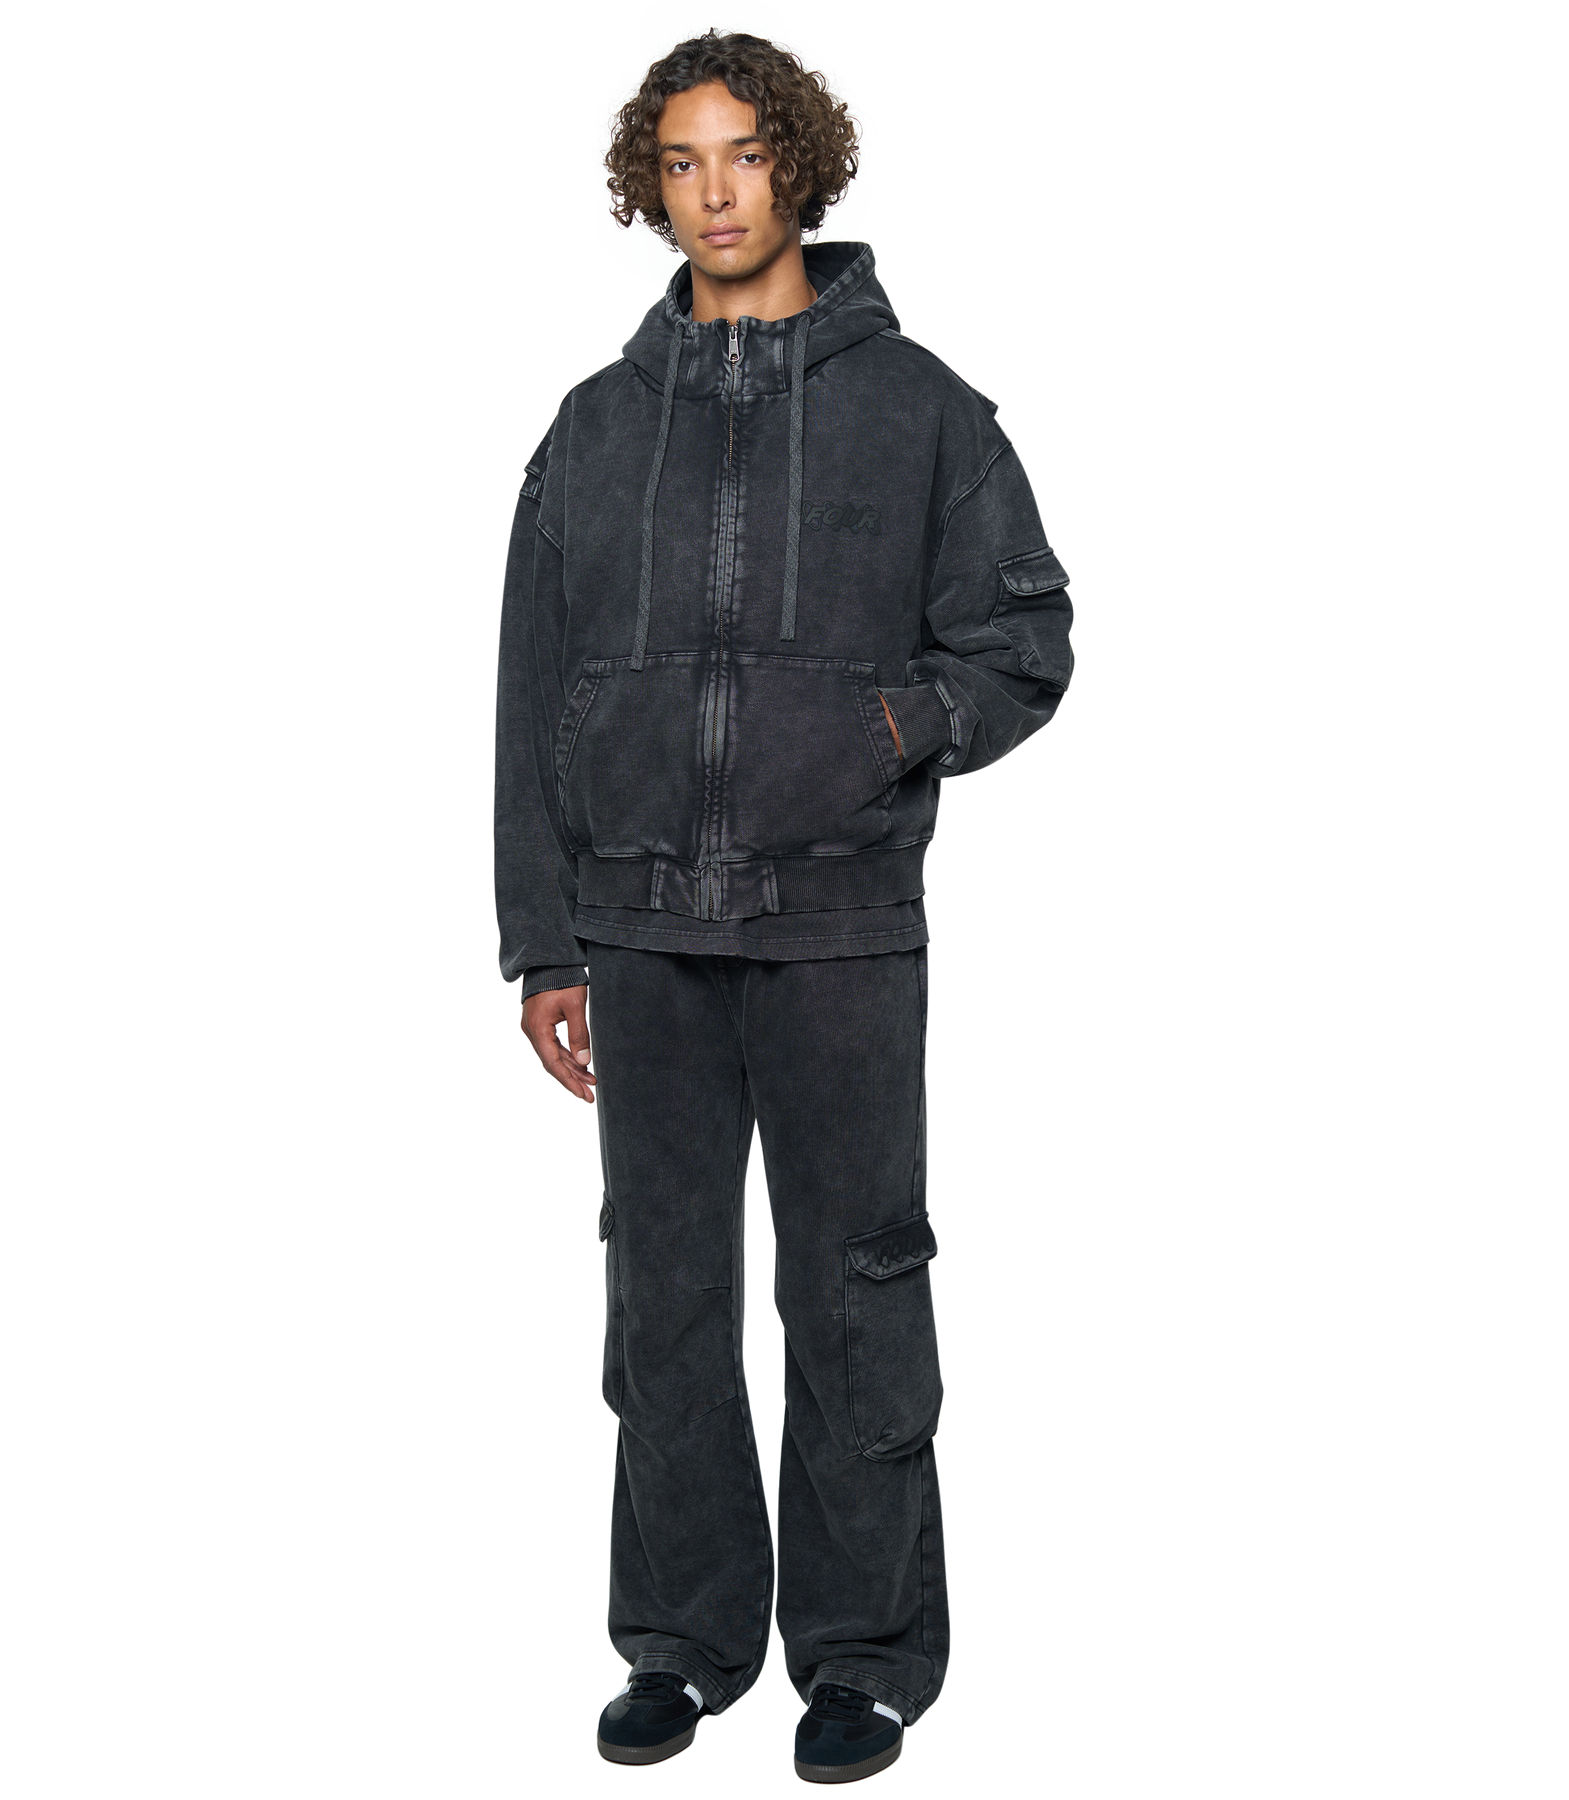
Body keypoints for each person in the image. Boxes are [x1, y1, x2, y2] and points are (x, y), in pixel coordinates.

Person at [492, 29, 1076, 1785]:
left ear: (801, 163)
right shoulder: (594, 427)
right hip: (637, 933)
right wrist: (541, 945)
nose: (716, 192)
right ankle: (682, 1640)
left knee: (854, 1291)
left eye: (744, 153)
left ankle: (867, 1655)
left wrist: (889, 729)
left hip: (839, 926)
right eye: (680, 162)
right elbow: (530, 696)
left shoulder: (929, 413)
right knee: (661, 1304)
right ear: (648, 188)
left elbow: (1027, 641)